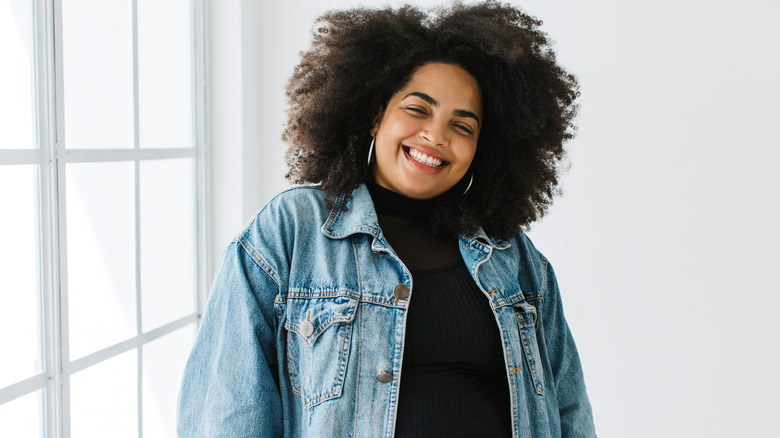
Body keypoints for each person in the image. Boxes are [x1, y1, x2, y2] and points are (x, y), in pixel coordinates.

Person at [178, 2, 596, 437]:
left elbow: (569, 409)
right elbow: (224, 413)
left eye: (463, 126)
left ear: (481, 150)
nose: (436, 136)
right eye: (418, 109)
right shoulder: (291, 231)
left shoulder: (513, 256)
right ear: (377, 115)